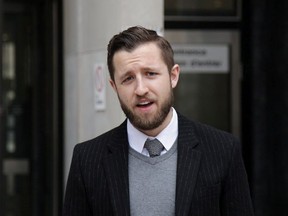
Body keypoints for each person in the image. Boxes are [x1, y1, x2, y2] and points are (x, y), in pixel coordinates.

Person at [63, 26, 254, 216]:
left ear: (173, 76)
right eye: (128, 78)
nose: (140, 89)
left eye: (150, 74)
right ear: (114, 87)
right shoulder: (87, 159)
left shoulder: (223, 150)